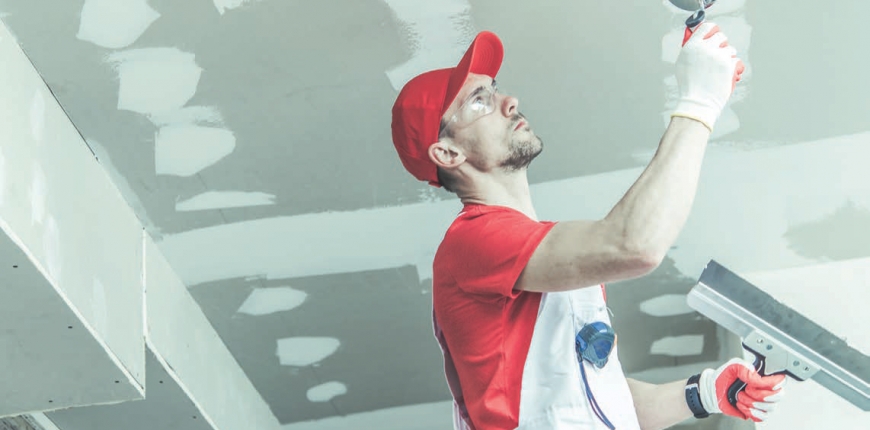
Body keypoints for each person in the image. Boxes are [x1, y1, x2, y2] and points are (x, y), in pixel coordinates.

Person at [390, 23, 787, 430]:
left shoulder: (543, 256)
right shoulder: (471, 242)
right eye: (479, 102)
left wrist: (706, 392)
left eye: (494, 89)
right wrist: (699, 102)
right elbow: (634, 245)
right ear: (447, 153)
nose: (509, 102)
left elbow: (600, 398)